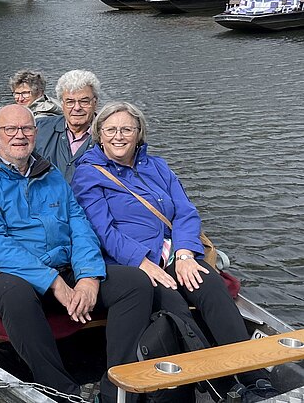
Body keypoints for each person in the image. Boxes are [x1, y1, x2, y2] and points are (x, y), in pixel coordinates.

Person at [71, 101, 277, 401]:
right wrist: (142, 262)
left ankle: (254, 376)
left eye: (126, 129)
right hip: (129, 263)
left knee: (211, 287)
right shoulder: (88, 174)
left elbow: (185, 212)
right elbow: (102, 230)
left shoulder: (157, 166)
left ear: (138, 133)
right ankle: (223, 388)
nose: (118, 136)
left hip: (173, 254)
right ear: (99, 135)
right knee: (174, 306)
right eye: (111, 130)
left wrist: (184, 254)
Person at [0, 103, 154, 403]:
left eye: (26, 128)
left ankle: (116, 389)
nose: (19, 135)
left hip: (62, 269)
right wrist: (53, 282)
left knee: (135, 283)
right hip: (1, 274)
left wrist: (88, 277)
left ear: (36, 133)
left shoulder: (51, 176)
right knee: (16, 293)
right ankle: (62, 393)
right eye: (10, 129)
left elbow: (80, 227)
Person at [35, 69, 99, 183]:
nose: (77, 107)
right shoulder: (39, 129)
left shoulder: (111, 134)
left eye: (84, 101)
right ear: (62, 104)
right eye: (70, 102)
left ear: (95, 102)